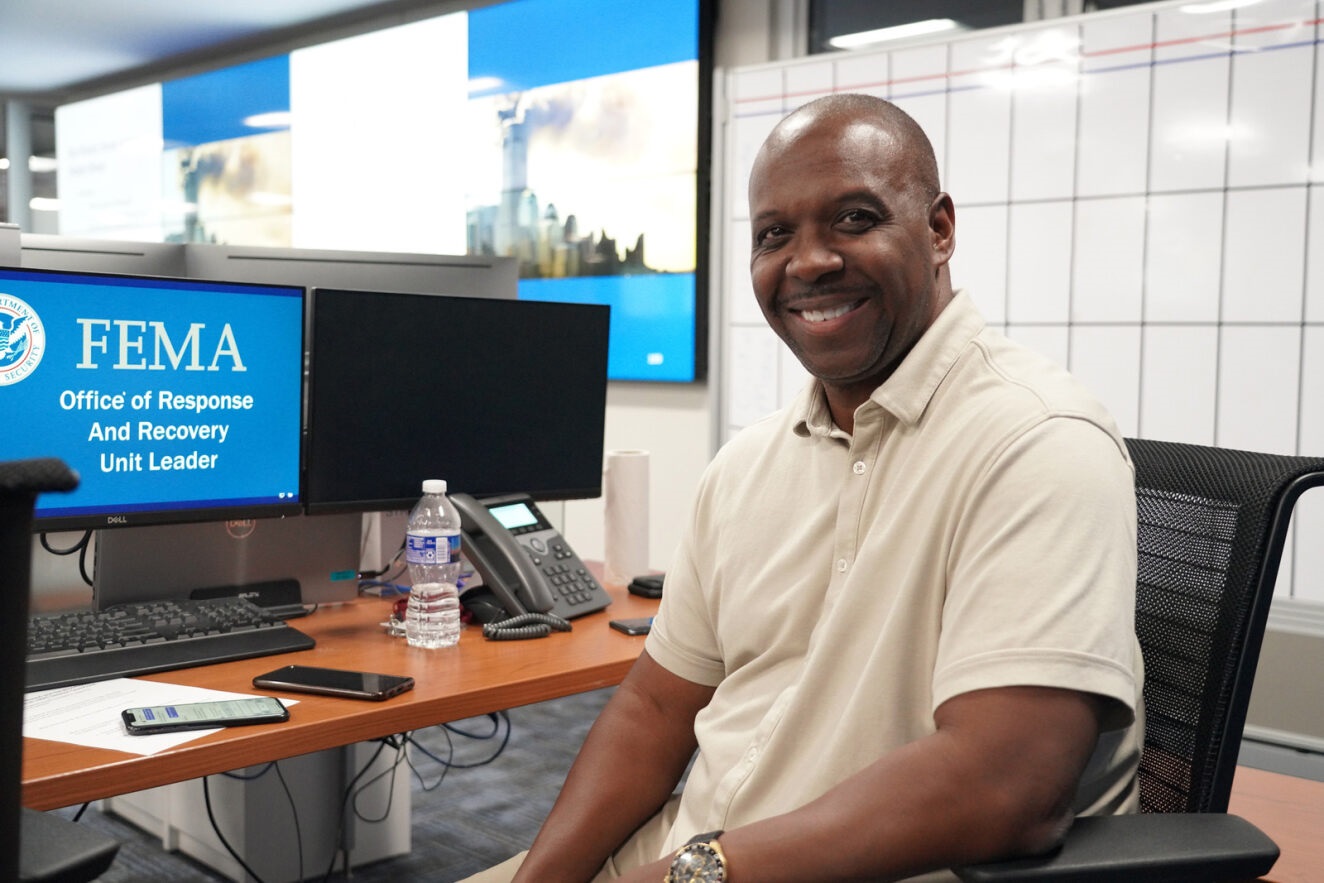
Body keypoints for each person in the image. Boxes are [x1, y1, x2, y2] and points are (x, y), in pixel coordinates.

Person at [466, 92, 1143, 883]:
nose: (809, 261)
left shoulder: (1037, 441)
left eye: (854, 218)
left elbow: (1002, 786)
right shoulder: (749, 464)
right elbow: (655, 709)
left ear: (939, 230)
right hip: (692, 857)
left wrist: (697, 872)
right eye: (774, 234)